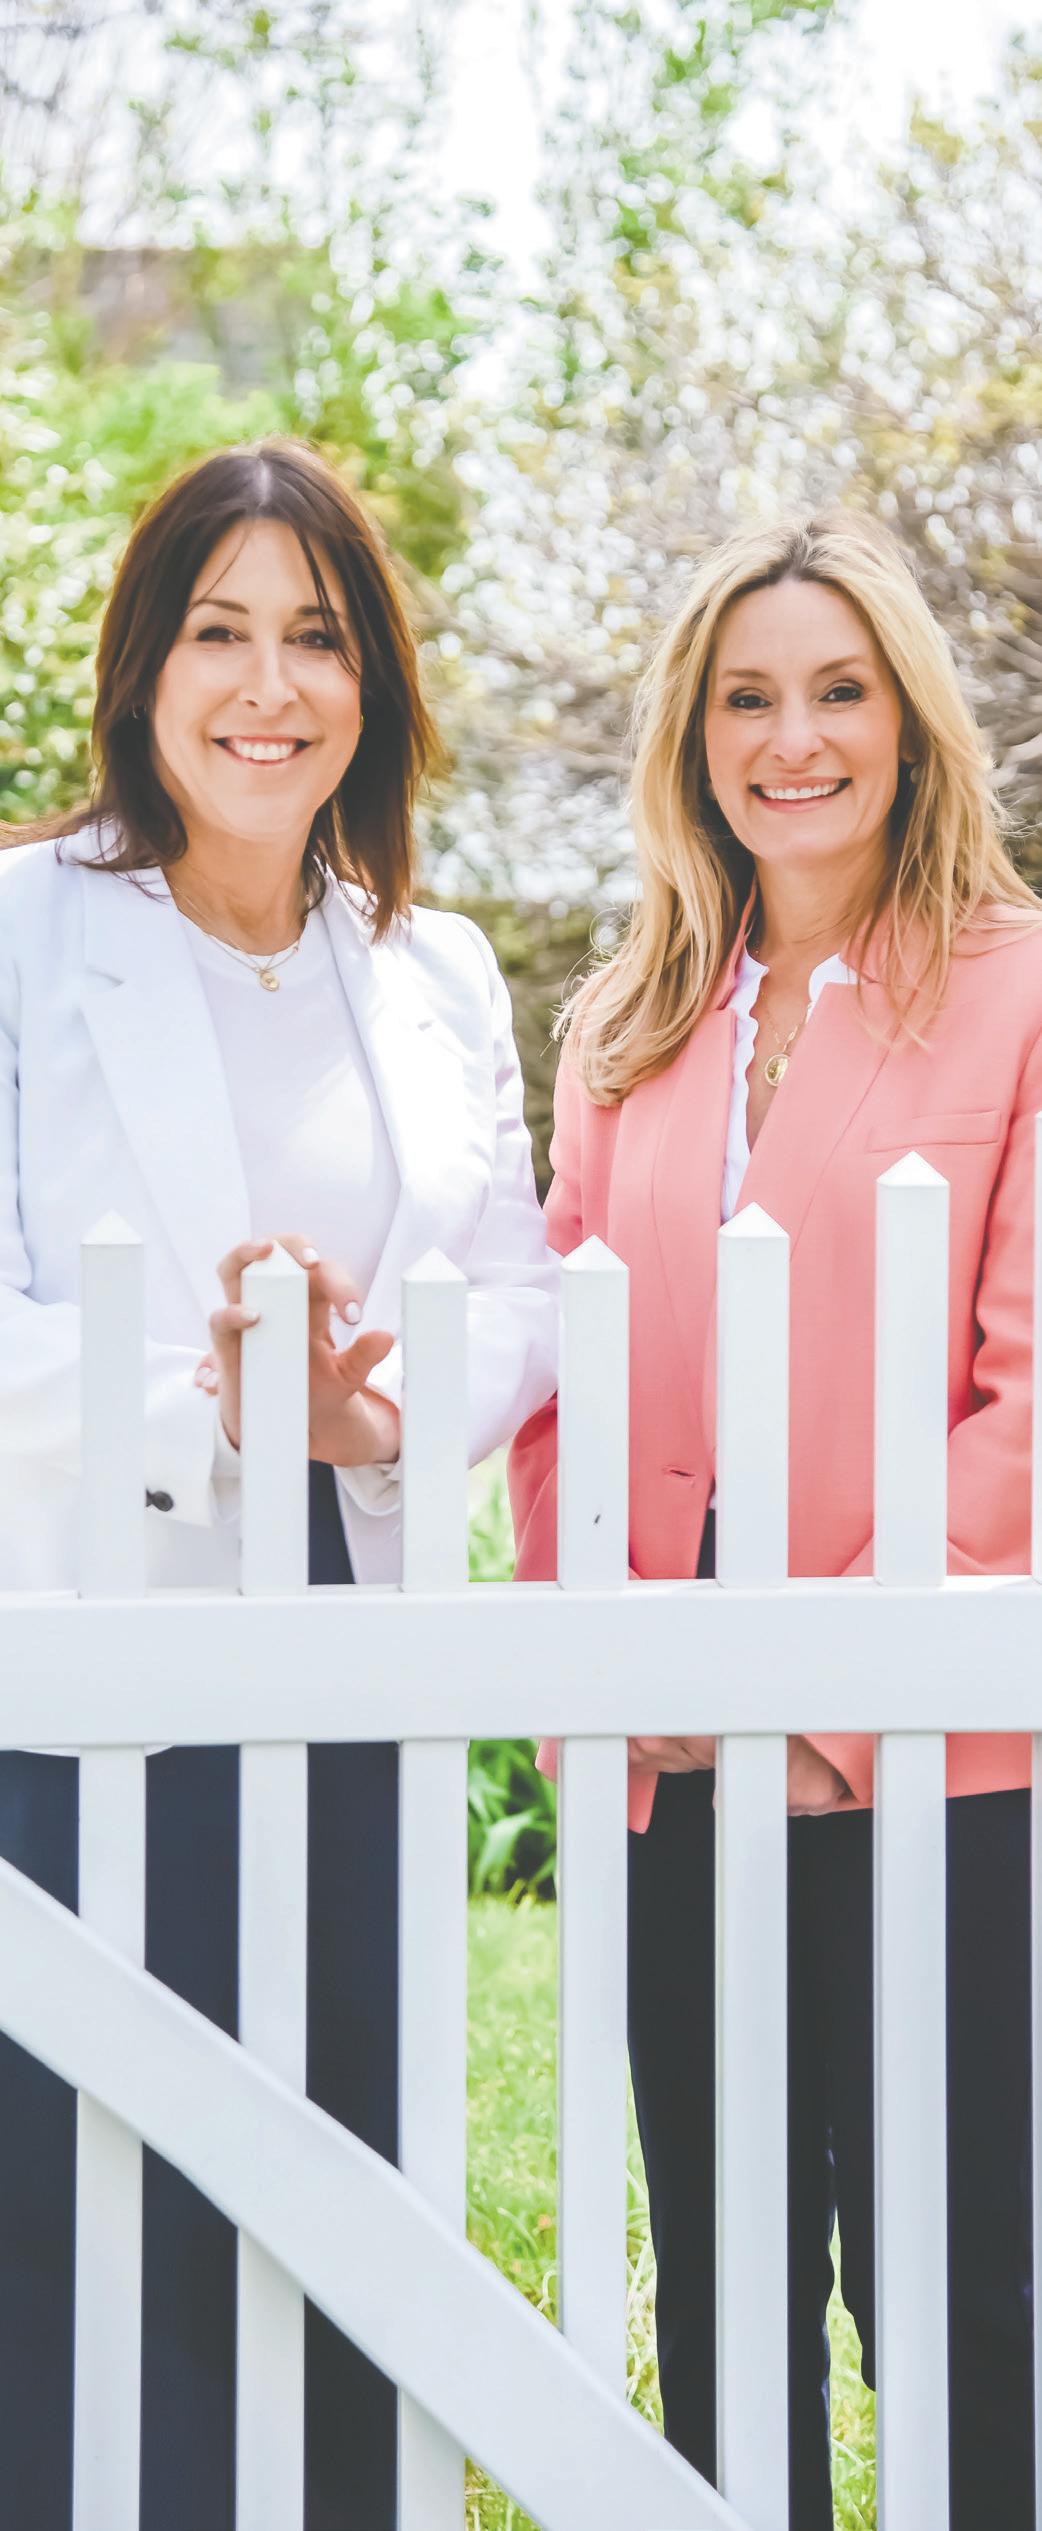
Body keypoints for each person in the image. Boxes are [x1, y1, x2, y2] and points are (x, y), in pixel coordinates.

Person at [0, 436, 557, 2531]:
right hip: (94, 1648)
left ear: (370, 683)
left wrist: (366, 1418)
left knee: (346, 2190)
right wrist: (211, 1403)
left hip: (353, 1638)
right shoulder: (22, 930)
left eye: (315, 637)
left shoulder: (438, 967)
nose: (267, 686)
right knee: (86, 2205)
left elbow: (512, 1288)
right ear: (143, 669)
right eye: (216, 633)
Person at [508, 507, 1042, 2530]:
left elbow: (1024, 1391)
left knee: (951, 2291)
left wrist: (830, 1708)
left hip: (930, 1753)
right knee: (726, 2295)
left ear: (907, 723)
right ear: (691, 736)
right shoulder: (625, 1020)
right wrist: (609, 1662)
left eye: (836, 692)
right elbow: (551, 1379)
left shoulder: (1012, 992)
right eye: (744, 698)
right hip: (668, 1748)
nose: (790, 738)